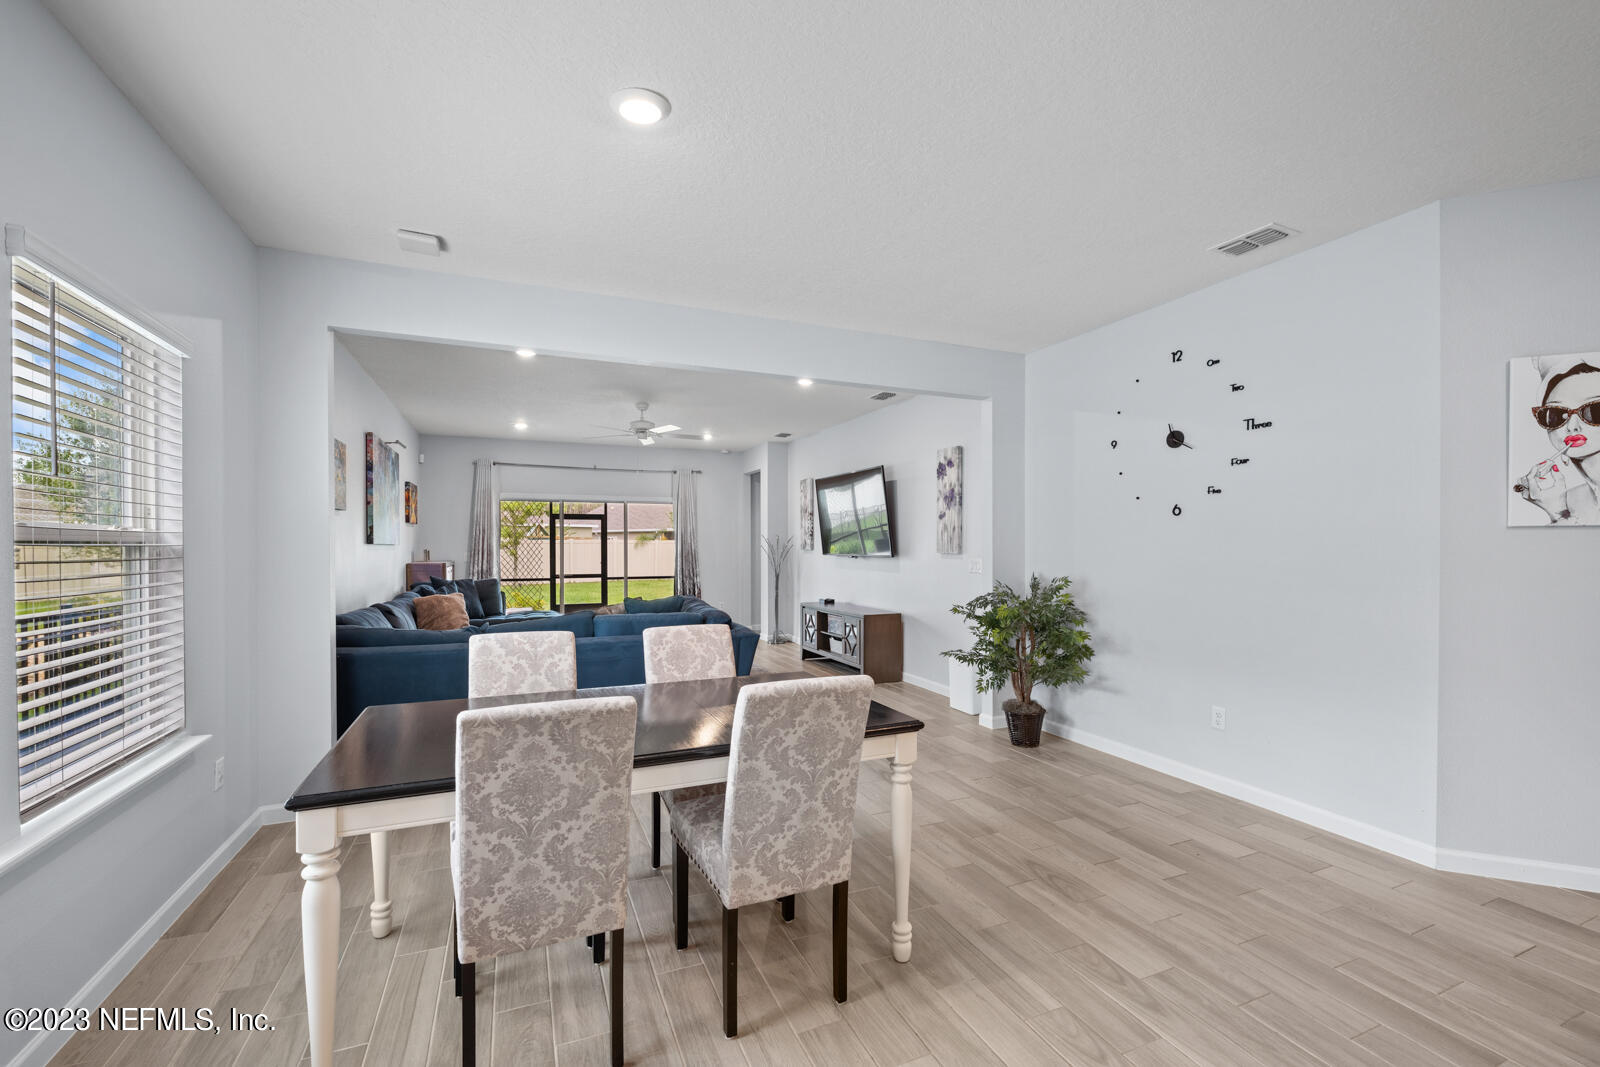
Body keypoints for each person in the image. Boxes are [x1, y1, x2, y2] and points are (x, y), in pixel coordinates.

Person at [1517, 357, 1600, 524]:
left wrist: (1560, 516)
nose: (1572, 427)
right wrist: (1558, 513)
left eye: (1595, 410)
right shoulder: (1569, 500)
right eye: (1557, 414)